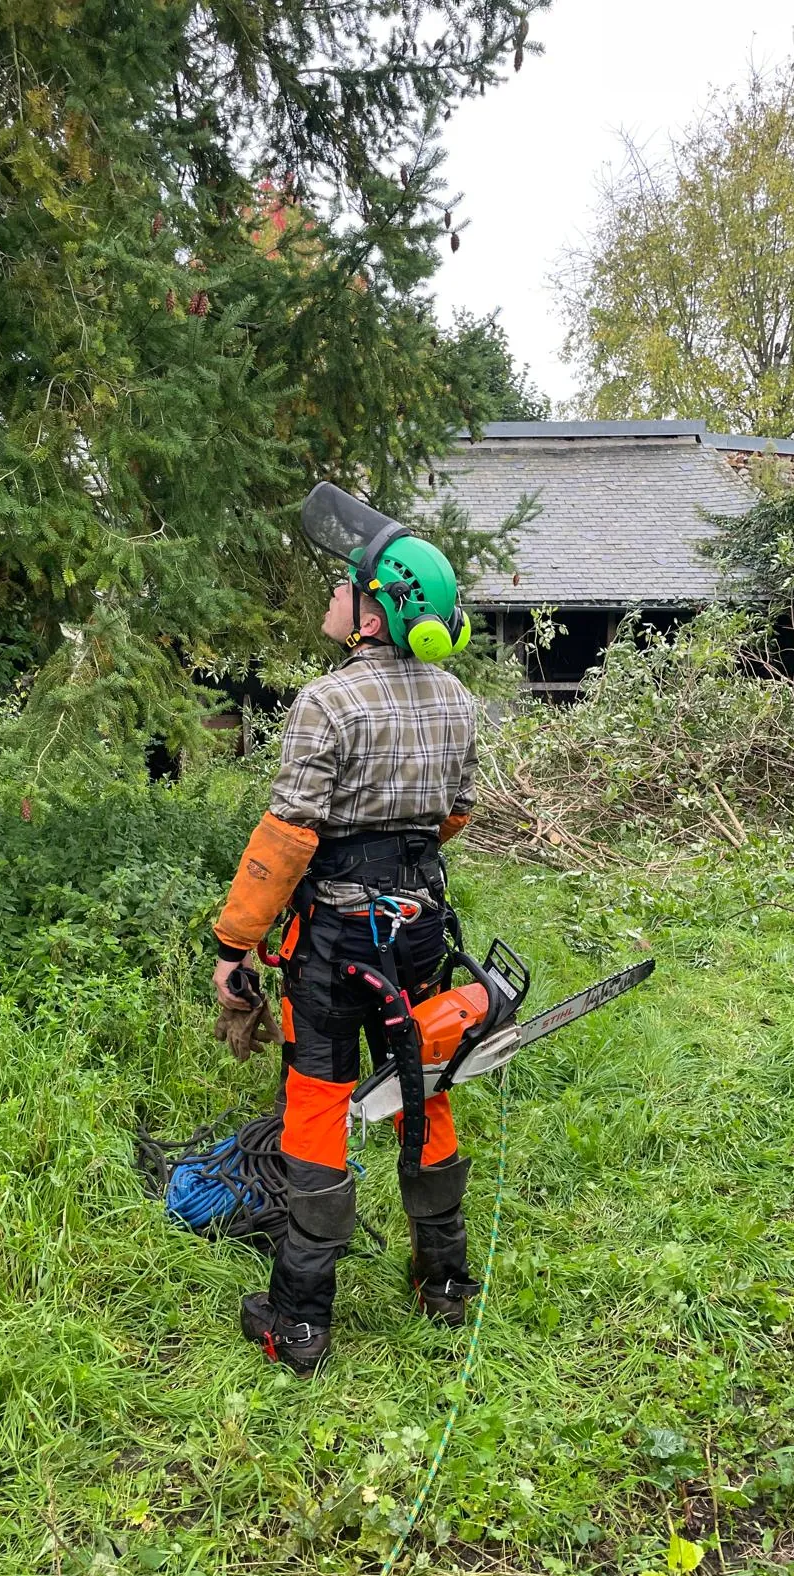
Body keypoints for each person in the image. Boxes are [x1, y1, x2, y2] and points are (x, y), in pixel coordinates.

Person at [209, 487, 481, 1379]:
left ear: (376, 611)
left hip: (334, 942)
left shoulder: (327, 704)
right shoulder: (458, 703)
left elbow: (288, 838)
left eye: (346, 585)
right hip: (419, 933)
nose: (334, 597)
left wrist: (235, 944)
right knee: (427, 1082)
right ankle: (444, 1283)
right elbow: (455, 815)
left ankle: (299, 1319)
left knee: (318, 1110)